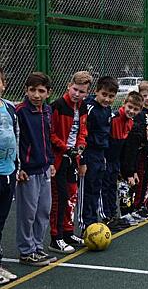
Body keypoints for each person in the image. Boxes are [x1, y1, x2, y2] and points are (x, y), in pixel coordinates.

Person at [49, 71, 92, 254]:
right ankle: (55, 238)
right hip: (59, 159)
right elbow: (51, 134)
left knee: (72, 195)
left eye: (82, 91)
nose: (77, 94)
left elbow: (82, 131)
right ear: (68, 86)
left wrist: (81, 146)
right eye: (75, 89)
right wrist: (65, 148)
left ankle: (68, 233)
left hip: (73, 158)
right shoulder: (57, 106)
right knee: (60, 198)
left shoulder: (82, 107)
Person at [16, 72, 57, 266]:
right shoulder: (20, 112)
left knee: (43, 210)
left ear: (48, 93)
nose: (36, 95)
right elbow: (17, 141)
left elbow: (47, 139)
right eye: (32, 90)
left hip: (44, 169)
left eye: (41, 91)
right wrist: (20, 166)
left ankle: (38, 247)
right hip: (28, 171)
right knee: (28, 212)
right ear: (26, 90)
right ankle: (26, 250)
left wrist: (50, 162)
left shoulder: (47, 111)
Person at [79, 76, 118, 231]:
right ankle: (85, 225)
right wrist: (83, 158)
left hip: (101, 153)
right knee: (87, 189)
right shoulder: (89, 108)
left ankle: (94, 221)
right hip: (89, 153)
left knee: (97, 187)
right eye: (104, 95)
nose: (107, 99)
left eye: (111, 96)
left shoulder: (107, 109)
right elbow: (83, 133)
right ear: (96, 91)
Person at [102, 91, 143, 232]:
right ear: (124, 103)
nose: (132, 111)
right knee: (104, 187)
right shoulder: (113, 118)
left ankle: (113, 216)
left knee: (112, 187)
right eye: (130, 107)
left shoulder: (131, 122)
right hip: (106, 158)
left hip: (115, 160)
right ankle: (106, 217)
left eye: (136, 109)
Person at [0, 67, 19, 282]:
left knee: (1, 221)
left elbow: (17, 138)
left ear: (4, 84)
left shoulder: (10, 108)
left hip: (8, 172)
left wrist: (18, 166)